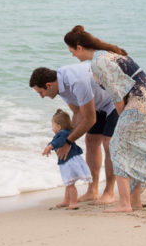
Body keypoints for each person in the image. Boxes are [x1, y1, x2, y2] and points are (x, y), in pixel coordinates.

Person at [63, 25, 146, 213]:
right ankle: (134, 200)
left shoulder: (99, 62)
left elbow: (116, 93)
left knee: (117, 147)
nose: (72, 55)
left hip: (138, 104)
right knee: (131, 147)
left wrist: (122, 116)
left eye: (72, 51)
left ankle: (125, 204)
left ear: (79, 48)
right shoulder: (110, 53)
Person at [29, 62, 119, 204]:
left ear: (48, 85)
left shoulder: (76, 81)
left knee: (108, 144)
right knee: (91, 141)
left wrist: (69, 141)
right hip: (96, 104)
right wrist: (65, 139)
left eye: (40, 92)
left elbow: (89, 119)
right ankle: (92, 191)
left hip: (114, 101)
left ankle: (109, 192)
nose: (41, 96)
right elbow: (78, 113)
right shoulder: (60, 87)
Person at [42, 109, 92, 210]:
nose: (52, 128)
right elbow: (55, 141)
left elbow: (59, 141)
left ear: (59, 126)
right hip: (70, 160)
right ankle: (66, 201)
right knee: (68, 183)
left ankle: (73, 203)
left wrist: (50, 146)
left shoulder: (63, 133)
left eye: (53, 126)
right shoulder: (65, 133)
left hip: (69, 161)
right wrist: (50, 146)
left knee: (70, 185)